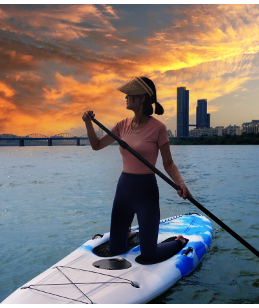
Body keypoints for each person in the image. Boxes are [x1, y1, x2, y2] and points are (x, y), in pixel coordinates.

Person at [81, 76, 192, 264]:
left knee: (150, 255)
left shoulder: (158, 128)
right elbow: (97, 145)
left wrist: (180, 182)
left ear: (141, 98)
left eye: (129, 94)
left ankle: (179, 242)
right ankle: (128, 234)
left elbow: (168, 163)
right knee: (116, 249)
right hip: (124, 188)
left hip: (146, 191)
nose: (125, 97)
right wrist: (88, 123)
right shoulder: (121, 125)